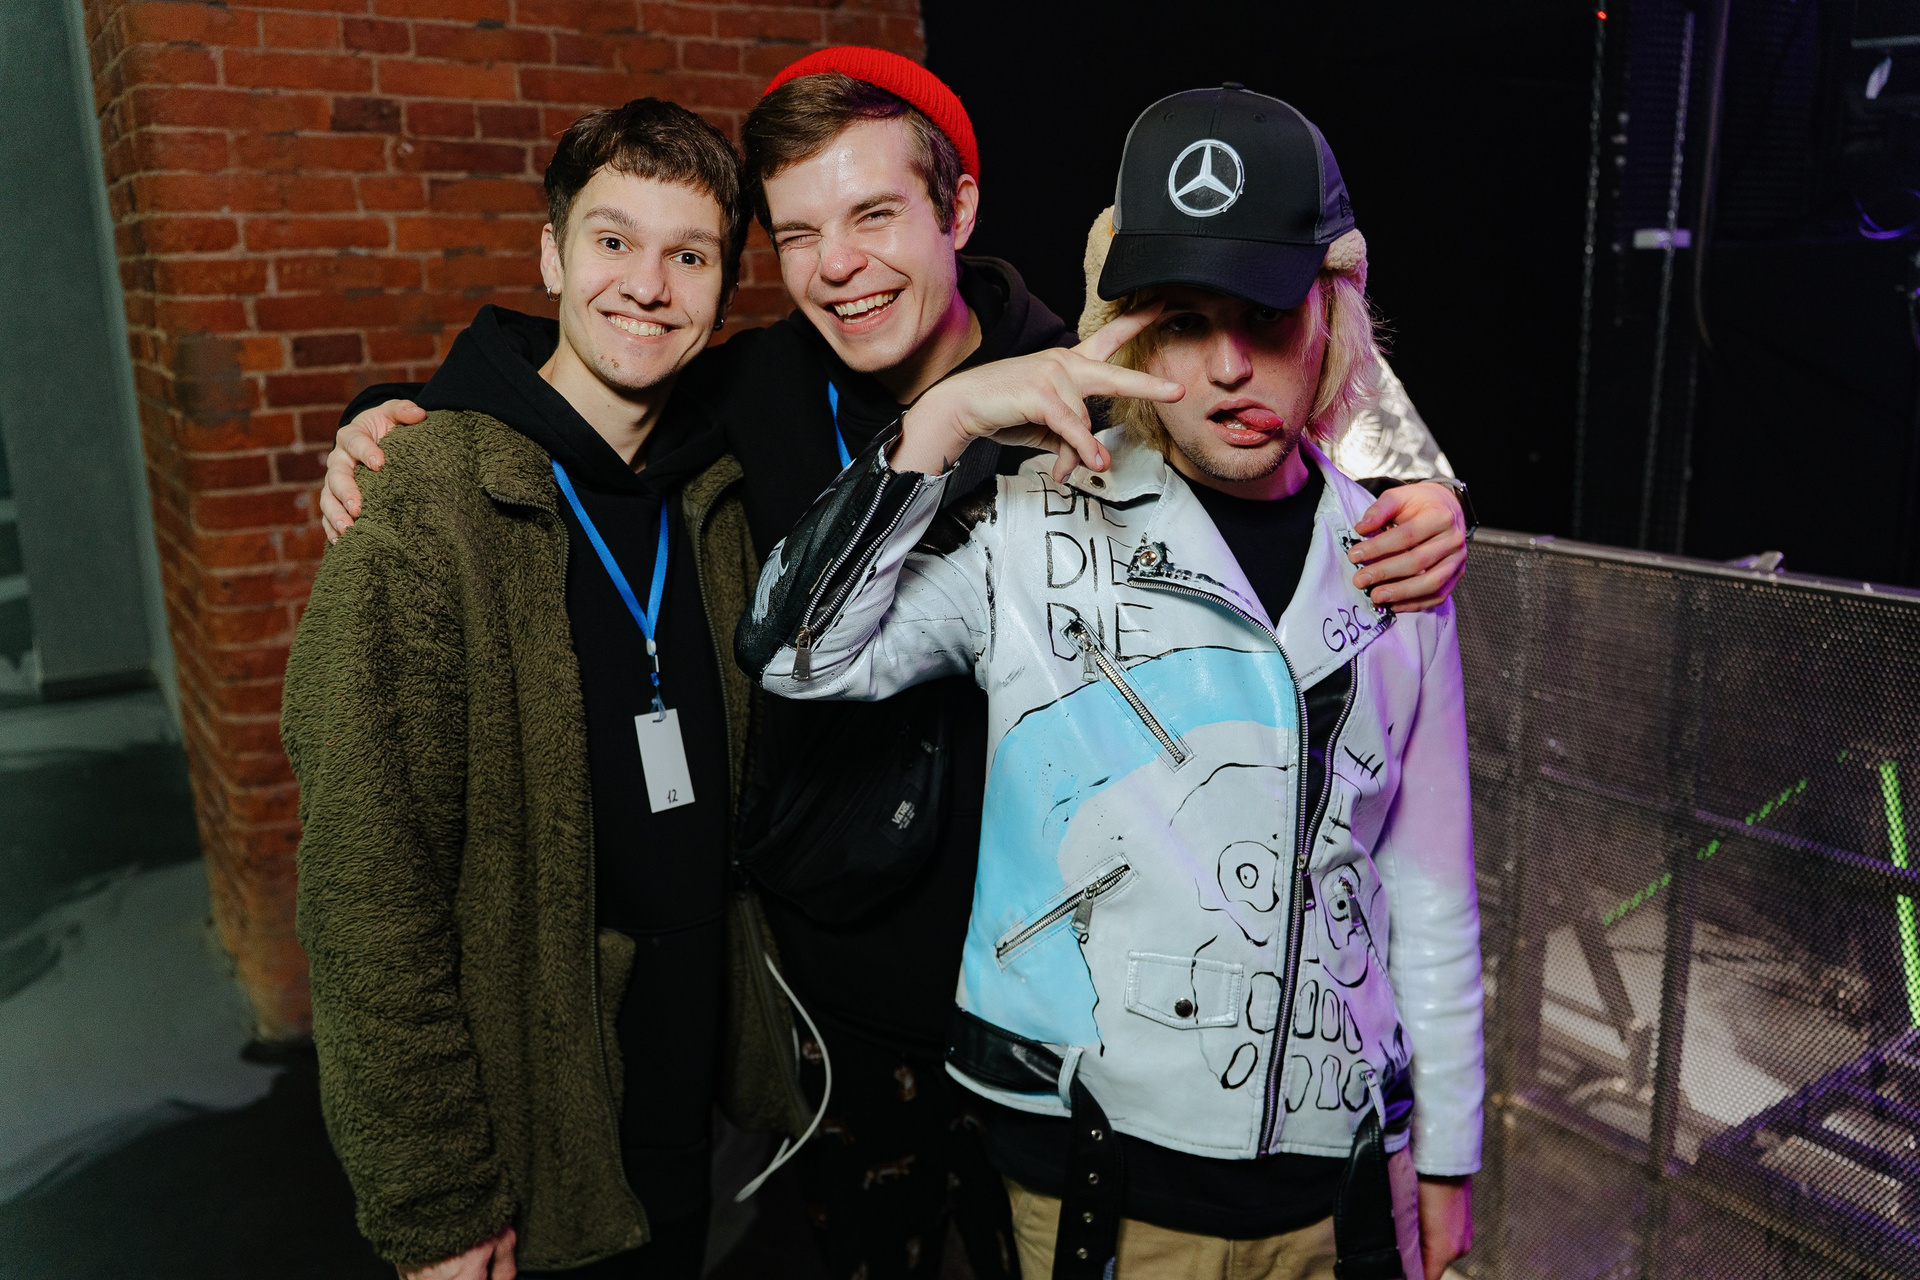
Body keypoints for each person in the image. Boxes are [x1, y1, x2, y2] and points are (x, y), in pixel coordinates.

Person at [314, 52, 1474, 1280]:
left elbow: (1263, 385)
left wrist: (1425, 494)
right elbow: (593, 390)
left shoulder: (1084, 362)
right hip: (841, 1004)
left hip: (1084, 1029)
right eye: (797, 233)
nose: (837, 264)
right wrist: (397, 417)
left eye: (873, 215)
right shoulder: (754, 385)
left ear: (957, 209)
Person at [735, 85, 1482, 1280]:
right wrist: (944, 418)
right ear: (1130, 333)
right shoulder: (1029, 522)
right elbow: (794, 654)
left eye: (1267, 315)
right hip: (1090, 1158)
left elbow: (1427, 884)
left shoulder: (1395, 554)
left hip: (1343, 1174)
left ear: (1331, 318)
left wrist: (1447, 1145)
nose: (1227, 365)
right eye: (1183, 321)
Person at [281, 100, 809, 1280]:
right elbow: (368, 883)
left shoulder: (721, 486)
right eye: (613, 241)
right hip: (531, 1106)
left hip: (688, 1079)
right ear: (552, 255)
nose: (648, 286)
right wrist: (434, 1199)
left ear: (725, 288)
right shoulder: (426, 501)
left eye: (690, 256)